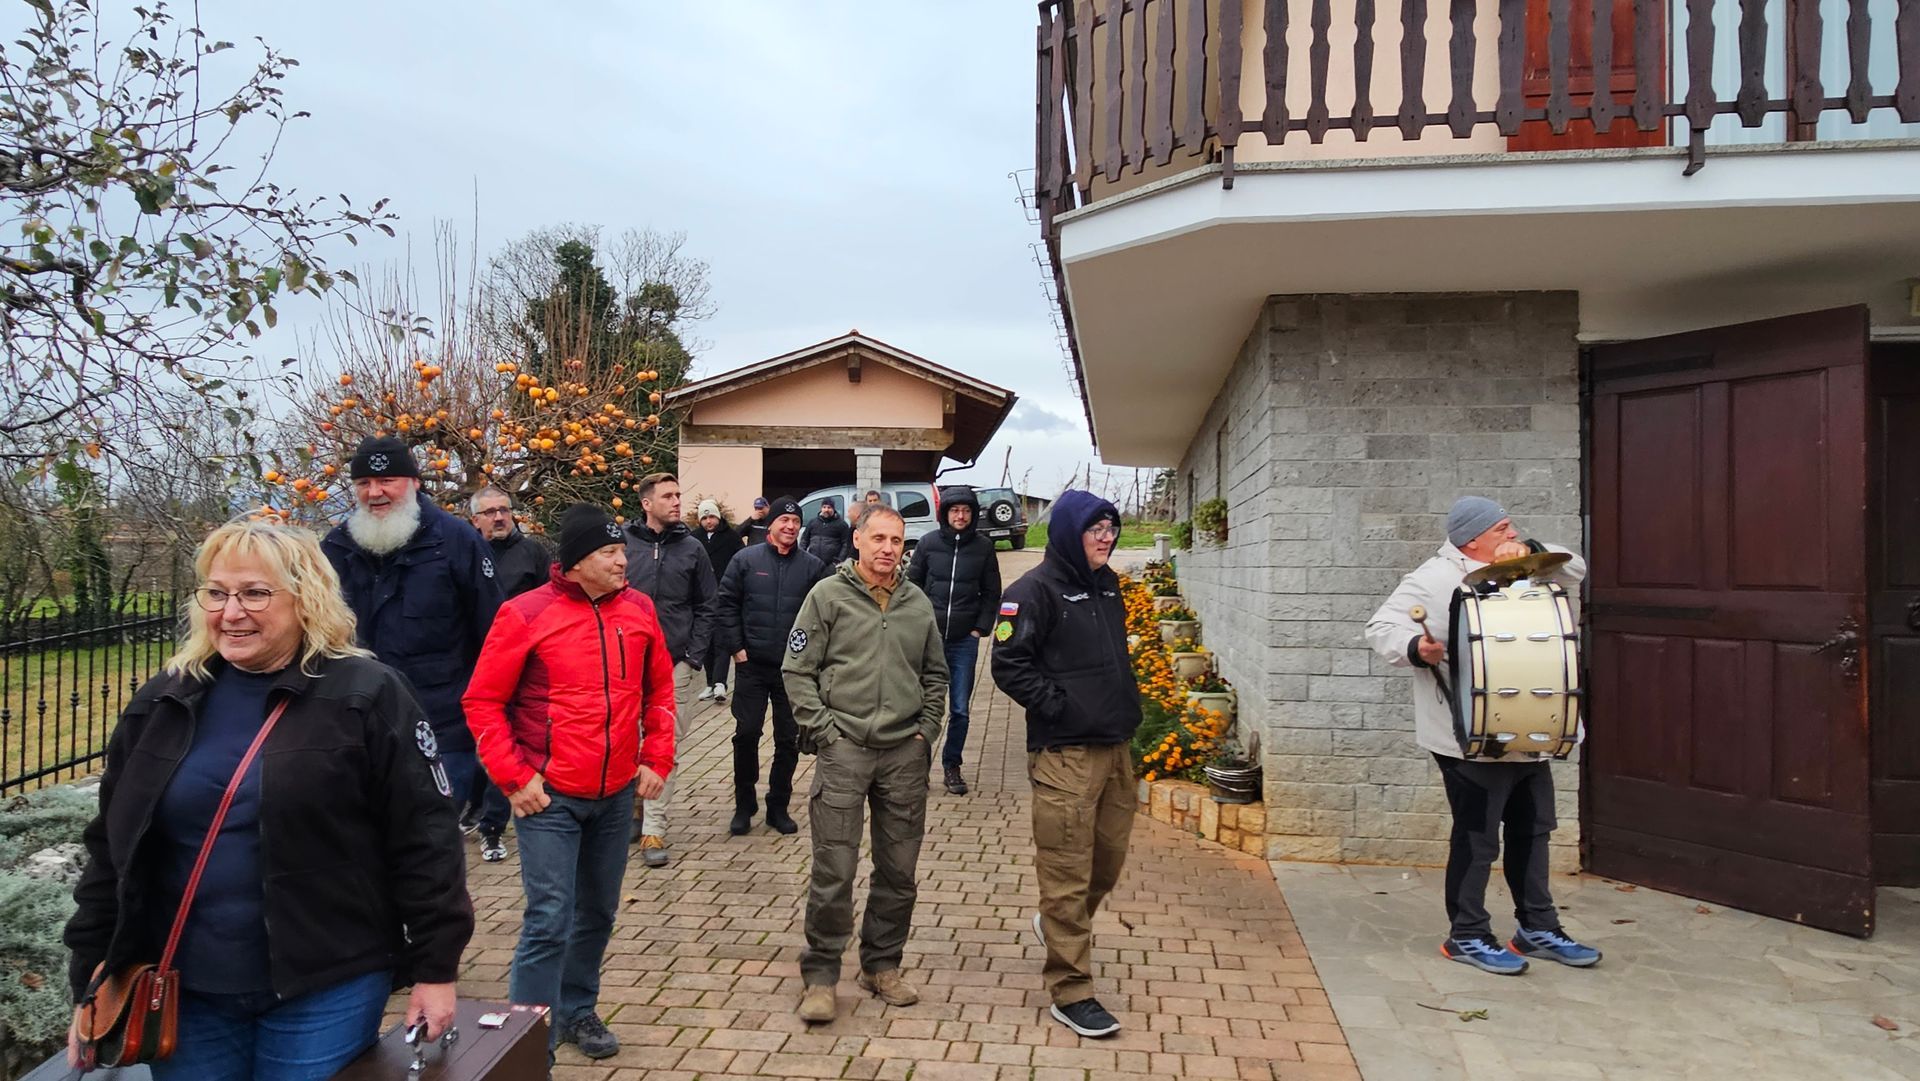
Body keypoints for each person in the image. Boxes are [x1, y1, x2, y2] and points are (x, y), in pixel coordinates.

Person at [63, 518, 472, 1081]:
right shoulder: (165, 701)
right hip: (185, 988)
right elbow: (112, 846)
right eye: (217, 593)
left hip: (325, 985)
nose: (231, 612)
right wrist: (92, 970)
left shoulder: (366, 694)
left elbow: (426, 839)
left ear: (306, 599)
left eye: (255, 593)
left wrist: (435, 968)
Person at [463, 503, 676, 1060]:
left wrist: (657, 757)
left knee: (597, 914)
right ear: (577, 561)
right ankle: (528, 1044)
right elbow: (482, 701)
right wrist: (513, 778)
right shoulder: (525, 614)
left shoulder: (639, 610)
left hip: (616, 794)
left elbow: (660, 690)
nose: (622, 561)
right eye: (609, 553)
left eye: (621, 551)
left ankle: (578, 1010)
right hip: (547, 798)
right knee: (548, 919)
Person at [1364, 495, 1599, 976]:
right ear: (1472, 540)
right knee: (1478, 839)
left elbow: (1575, 568)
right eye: (1501, 529)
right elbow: (1380, 627)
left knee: (1533, 831)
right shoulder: (1433, 579)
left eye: (1510, 527)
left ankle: (1537, 928)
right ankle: (1467, 935)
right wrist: (1416, 647)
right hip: (1468, 735)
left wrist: (1531, 549)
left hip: (1530, 727)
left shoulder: (1528, 564)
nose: (1511, 533)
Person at [784, 504, 947, 1023]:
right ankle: (821, 975)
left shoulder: (917, 604)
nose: (887, 549)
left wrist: (925, 732)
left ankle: (881, 965)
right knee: (835, 868)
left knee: (899, 871)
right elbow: (797, 670)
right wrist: (825, 733)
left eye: (896, 541)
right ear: (857, 540)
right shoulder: (826, 596)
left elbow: (936, 675)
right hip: (845, 749)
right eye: (878, 538)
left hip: (904, 754)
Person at [990, 490, 1140, 1039]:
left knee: (1107, 863)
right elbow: (1008, 664)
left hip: (1116, 748)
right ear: (1069, 533)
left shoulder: (1107, 585)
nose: (1107, 538)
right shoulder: (1030, 593)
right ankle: (1071, 990)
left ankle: (1054, 924)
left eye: (1111, 528)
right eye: (1095, 529)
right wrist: (1060, 707)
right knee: (1066, 873)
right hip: (1065, 756)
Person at [322, 436, 502, 813]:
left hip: (444, 726)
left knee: (433, 833)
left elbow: (494, 636)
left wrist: (491, 721)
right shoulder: (336, 549)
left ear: (415, 482)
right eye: (364, 483)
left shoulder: (457, 542)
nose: (375, 492)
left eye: (387, 480)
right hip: (357, 724)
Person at [716, 496, 829, 836]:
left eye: (796, 522)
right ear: (772, 524)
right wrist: (736, 648)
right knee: (746, 734)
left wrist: (813, 659)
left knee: (787, 740)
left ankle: (778, 806)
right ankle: (744, 804)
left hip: (792, 671)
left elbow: (825, 615)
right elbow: (726, 603)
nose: (790, 527)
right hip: (751, 665)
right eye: (784, 521)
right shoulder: (745, 560)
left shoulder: (813, 567)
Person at [622, 472, 717, 866]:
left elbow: (708, 604)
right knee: (627, 741)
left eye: (679, 495)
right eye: (668, 496)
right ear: (647, 503)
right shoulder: (624, 544)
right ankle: (634, 810)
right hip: (627, 662)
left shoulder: (692, 548)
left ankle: (654, 828)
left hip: (675, 663)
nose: (677, 502)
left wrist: (693, 656)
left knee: (665, 746)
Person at [467, 484, 553, 863]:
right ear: (475, 520)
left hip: (521, 664)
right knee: (474, 740)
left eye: (504, 510)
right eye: (490, 512)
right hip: (472, 661)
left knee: (506, 740)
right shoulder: (465, 552)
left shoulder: (532, 552)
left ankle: (492, 827)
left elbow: (550, 604)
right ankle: (472, 807)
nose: (500, 517)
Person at [906, 485, 1002, 796]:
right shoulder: (928, 543)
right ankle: (918, 768)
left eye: (966, 511)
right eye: (955, 510)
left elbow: (992, 592)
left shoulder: (984, 547)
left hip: (964, 641)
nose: (960, 516)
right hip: (928, 640)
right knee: (922, 705)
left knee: (959, 708)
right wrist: (917, 624)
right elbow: (912, 585)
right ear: (945, 513)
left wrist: (980, 629)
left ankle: (952, 765)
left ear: (972, 514)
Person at [693, 499, 738, 703]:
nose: (709, 521)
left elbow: (739, 562)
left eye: (712, 517)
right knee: (706, 640)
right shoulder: (694, 539)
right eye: (704, 518)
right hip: (701, 597)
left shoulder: (730, 537)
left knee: (721, 639)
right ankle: (710, 683)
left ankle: (720, 682)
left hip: (724, 594)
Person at [799, 497, 852, 565]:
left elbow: (846, 545)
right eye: (824, 507)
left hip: (831, 565)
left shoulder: (842, 525)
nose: (826, 510)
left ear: (833, 509)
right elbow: (804, 541)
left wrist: (838, 561)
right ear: (821, 508)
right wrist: (802, 557)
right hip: (813, 563)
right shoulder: (812, 522)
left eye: (829, 507)